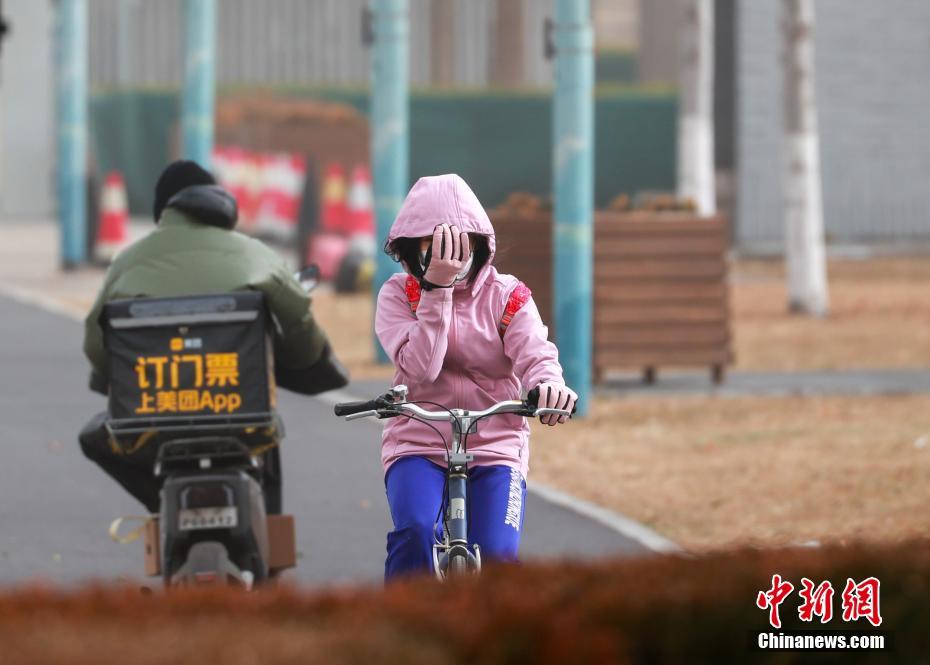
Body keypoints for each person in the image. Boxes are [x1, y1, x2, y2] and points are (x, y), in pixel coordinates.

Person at [80, 160, 348, 513]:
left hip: (152, 423)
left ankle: (165, 502)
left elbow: (96, 343)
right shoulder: (256, 255)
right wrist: (300, 359)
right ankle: (269, 543)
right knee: (267, 430)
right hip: (241, 420)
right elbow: (300, 324)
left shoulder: (127, 262)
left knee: (94, 436)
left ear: (165, 211)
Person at [376, 173, 577, 579]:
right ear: (412, 249)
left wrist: (548, 385)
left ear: (480, 244)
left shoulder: (508, 294)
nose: (449, 257)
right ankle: (395, 629)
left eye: (460, 245)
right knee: (415, 531)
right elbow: (421, 368)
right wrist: (435, 290)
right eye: (434, 248)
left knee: (500, 558)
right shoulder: (399, 295)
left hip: (497, 443)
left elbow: (536, 352)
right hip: (417, 442)